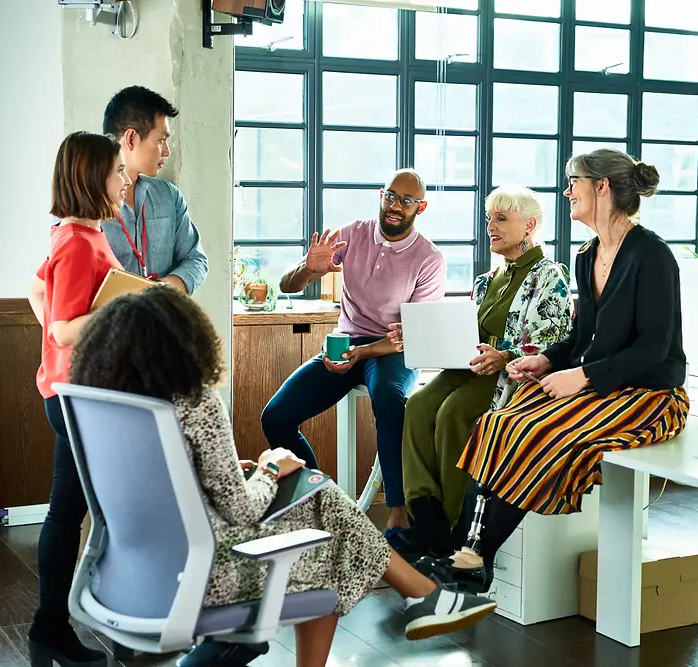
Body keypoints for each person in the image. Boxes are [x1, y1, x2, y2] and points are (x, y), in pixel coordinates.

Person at [67, 287, 497, 667]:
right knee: (327, 541)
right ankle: (424, 595)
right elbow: (240, 510)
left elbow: (159, 479)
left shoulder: (109, 406)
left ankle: (423, 595)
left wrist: (229, 470)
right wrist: (270, 469)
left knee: (316, 492)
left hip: (129, 572)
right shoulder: (196, 403)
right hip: (208, 573)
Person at [423, 148, 690, 592]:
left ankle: (472, 559)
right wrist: (547, 360)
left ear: (601, 186)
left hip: (650, 396)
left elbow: (652, 348)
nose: (567, 191)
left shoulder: (652, 255)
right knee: (498, 422)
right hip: (602, 386)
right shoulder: (588, 257)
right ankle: (464, 553)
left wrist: (581, 377)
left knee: (535, 430)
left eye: (573, 181)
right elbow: (582, 339)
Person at [386, 185, 573, 559]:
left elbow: (556, 339)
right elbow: (466, 332)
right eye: (489, 219)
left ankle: (455, 527)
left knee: (453, 413)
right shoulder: (487, 279)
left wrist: (505, 356)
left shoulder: (550, 276)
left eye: (502, 219)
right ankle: (425, 517)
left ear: (529, 226)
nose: (491, 226)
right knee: (419, 404)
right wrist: (423, 336)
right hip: (467, 366)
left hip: (507, 375)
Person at [261, 168, 445, 534]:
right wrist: (308, 269)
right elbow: (287, 285)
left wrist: (361, 356)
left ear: (419, 208)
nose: (395, 206)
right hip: (347, 341)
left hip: (393, 351)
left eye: (406, 201)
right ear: (381, 195)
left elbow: (411, 337)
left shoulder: (429, 258)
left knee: (390, 400)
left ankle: (397, 512)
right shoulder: (351, 235)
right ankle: (320, 499)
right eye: (390, 196)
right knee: (276, 417)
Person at [25, 131, 132, 667]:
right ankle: (59, 625)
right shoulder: (75, 240)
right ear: (93, 177)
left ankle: (64, 624)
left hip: (73, 392)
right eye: (117, 170)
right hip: (76, 396)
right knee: (75, 511)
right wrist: (128, 307)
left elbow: (37, 291)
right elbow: (67, 329)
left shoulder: (74, 233)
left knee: (73, 510)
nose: (125, 178)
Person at [29, 85, 209, 306]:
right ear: (131, 138)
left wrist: (162, 290)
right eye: (161, 140)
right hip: (111, 336)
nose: (167, 151)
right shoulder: (82, 211)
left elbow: (196, 260)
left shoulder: (169, 197)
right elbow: (46, 293)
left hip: (163, 331)